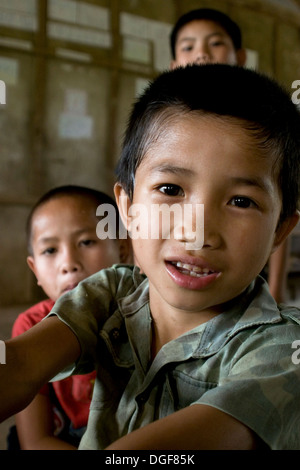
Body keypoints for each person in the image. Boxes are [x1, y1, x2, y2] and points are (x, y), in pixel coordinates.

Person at [1, 64, 300, 450]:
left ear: (280, 230)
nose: (196, 232)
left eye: (241, 201)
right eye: (171, 189)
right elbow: (21, 365)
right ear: (126, 208)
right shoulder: (112, 293)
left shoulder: (283, 349)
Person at [169, 7, 289, 304]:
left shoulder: (264, 121)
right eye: (188, 46)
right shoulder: (160, 122)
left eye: (215, 43)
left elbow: (279, 208)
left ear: (241, 56)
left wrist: (276, 286)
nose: (202, 53)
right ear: (174, 63)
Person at [9, 185, 130, 450]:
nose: (69, 263)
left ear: (123, 250)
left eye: (86, 242)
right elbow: (36, 441)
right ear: (35, 270)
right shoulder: (32, 324)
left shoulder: (146, 313)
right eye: (50, 250)